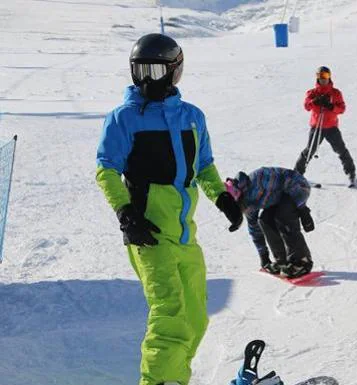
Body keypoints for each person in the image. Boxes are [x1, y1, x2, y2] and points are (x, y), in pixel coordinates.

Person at [96, 33, 242, 385]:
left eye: (157, 71)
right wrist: (127, 216)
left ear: (175, 72)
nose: (149, 80)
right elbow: (107, 169)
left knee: (194, 317)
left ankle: (175, 379)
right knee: (169, 315)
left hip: (184, 233)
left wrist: (221, 197)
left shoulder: (192, 116)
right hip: (148, 233)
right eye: (142, 71)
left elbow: (204, 165)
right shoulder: (124, 118)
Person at [225, 167, 315, 278]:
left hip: (298, 187)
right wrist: (264, 256)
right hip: (279, 199)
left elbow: (289, 181)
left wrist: (302, 209)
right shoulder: (245, 203)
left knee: (283, 215)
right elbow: (254, 227)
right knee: (265, 220)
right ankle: (282, 261)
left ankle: (302, 262)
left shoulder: (259, 178)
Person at [293, 66, 357, 187]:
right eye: (320, 76)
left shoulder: (336, 93)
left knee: (341, 150)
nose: (323, 79)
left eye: (325, 76)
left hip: (331, 127)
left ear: (330, 77)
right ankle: (297, 175)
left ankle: (351, 174)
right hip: (316, 127)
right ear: (317, 77)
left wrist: (331, 107)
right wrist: (314, 101)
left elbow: (342, 109)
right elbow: (307, 106)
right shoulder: (312, 93)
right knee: (309, 151)